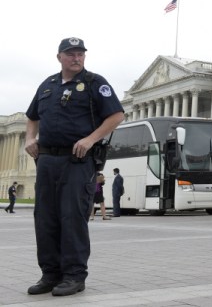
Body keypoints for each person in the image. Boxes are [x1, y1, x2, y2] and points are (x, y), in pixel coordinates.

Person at [24, 37, 124, 297]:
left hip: (77, 162)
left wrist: (91, 139)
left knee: (72, 218)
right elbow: (32, 116)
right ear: (60, 57)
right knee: (45, 219)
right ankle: (50, 274)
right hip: (46, 160)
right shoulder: (48, 85)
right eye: (70, 54)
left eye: (80, 54)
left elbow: (116, 115)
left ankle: (74, 276)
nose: (76, 58)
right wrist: (29, 139)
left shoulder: (94, 83)